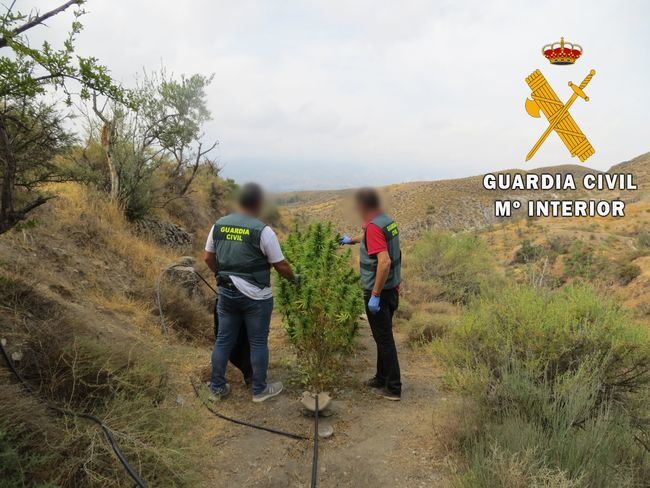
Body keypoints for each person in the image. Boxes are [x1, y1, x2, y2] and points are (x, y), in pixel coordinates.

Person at [204, 182, 298, 402]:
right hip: (257, 297)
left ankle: (217, 387)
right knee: (257, 342)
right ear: (258, 204)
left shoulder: (219, 225)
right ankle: (259, 390)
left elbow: (208, 257)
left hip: (226, 293)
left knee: (223, 340)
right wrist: (295, 280)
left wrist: (220, 274)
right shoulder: (263, 231)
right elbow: (280, 265)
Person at [340, 188, 402, 400]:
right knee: (381, 337)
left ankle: (393, 387)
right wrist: (352, 241)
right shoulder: (385, 221)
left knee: (384, 339)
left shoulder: (375, 227)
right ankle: (381, 376)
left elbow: (384, 261)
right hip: (392, 289)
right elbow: (372, 237)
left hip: (380, 292)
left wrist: (375, 294)